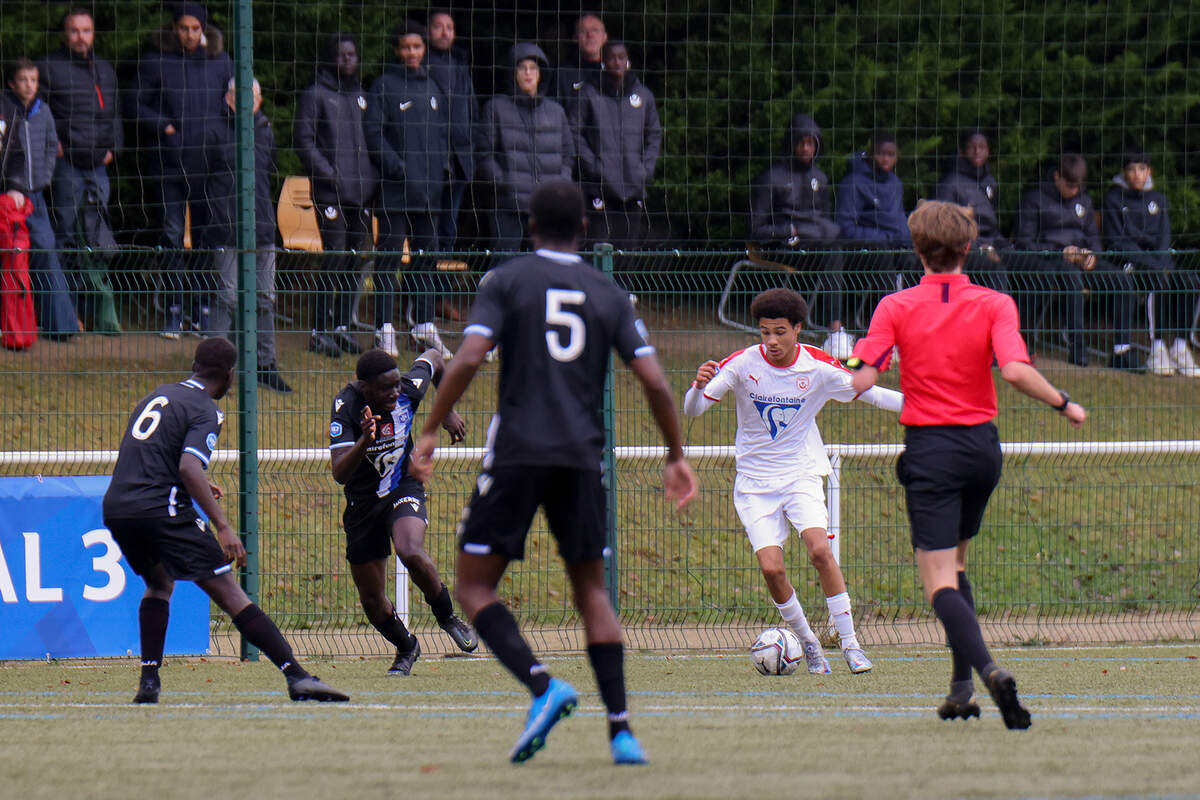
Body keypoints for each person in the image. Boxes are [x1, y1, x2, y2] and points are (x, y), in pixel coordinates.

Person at [409, 180, 698, 765]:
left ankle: (544, 686)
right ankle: (621, 732)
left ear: (530, 223)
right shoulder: (608, 293)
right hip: (580, 457)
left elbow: (466, 357)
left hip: (517, 451)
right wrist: (675, 454)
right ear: (584, 229)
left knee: (471, 585)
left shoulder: (506, 280)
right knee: (591, 590)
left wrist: (433, 427)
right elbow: (656, 381)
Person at [848, 200, 1087, 729]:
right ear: (968, 247)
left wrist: (847, 359)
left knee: (937, 582)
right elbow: (1018, 371)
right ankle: (960, 690)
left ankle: (990, 672)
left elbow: (860, 379)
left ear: (917, 249)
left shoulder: (895, 305)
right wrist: (1065, 403)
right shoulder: (995, 303)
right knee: (956, 566)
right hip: (983, 450)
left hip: (932, 451)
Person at [102, 338, 348, 704]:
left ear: (195, 364)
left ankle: (149, 682)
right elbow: (188, 466)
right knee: (231, 593)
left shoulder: (160, 394)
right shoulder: (206, 409)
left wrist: (195, 480)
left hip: (118, 508)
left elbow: (153, 454)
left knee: (159, 583)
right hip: (161, 510)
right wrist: (222, 525)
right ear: (230, 374)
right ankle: (297, 676)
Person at [683, 287, 901, 675]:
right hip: (754, 482)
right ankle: (811, 645)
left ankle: (851, 644)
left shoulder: (817, 366)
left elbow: (870, 393)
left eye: (780, 332)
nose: (771, 342)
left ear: (798, 329)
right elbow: (694, 410)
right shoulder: (741, 364)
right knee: (772, 569)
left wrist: (929, 406)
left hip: (800, 473)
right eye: (764, 332)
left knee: (819, 549)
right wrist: (697, 386)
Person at [328, 347, 478, 674]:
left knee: (410, 550)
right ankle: (407, 646)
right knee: (372, 599)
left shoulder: (407, 389)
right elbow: (340, 473)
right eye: (386, 387)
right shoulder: (346, 408)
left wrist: (447, 408)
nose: (395, 391)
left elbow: (435, 356)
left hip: (402, 487)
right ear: (365, 387)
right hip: (363, 504)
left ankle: (447, 616)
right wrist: (364, 441)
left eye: (397, 384)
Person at [131, 2, 234, 338]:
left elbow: (232, 104)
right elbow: (135, 103)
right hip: (169, 165)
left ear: (203, 29)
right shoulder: (155, 61)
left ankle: (203, 309)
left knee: (207, 238)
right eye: (183, 28)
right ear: (173, 28)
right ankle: (173, 310)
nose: (189, 34)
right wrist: (165, 126)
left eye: (195, 28)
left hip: (209, 166)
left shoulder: (221, 61)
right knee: (172, 236)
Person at [364, 21, 451, 358]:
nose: (412, 53)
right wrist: (397, 167)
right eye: (406, 47)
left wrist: (440, 171)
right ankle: (384, 328)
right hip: (394, 191)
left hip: (429, 193)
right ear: (397, 50)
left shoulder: (432, 87)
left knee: (426, 260)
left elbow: (442, 136)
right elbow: (373, 135)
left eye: (417, 47)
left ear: (424, 48)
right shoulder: (383, 87)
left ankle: (424, 326)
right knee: (388, 259)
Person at [36, 8, 122, 329]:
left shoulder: (105, 70)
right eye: (74, 31)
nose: (80, 37)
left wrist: (115, 146)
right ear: (65, 34)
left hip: (99, 165)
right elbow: (41, 113)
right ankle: (65, 312)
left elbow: (114, 113)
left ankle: (97, 313)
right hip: (67, 166)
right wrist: (54, 145)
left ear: (94, 33)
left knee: (97, 239)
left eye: (86, 30)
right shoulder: (48, 68)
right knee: (65, 235)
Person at [294, 33, 378, 359]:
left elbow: (371, 141)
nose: (347, 60)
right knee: (335, 255)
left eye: (352, 54)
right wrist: (330, 174)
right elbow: (304, 141)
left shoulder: (362, 96)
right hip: (330, 191)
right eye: (341, 54)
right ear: (331, 57)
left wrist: (370, 180)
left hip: (361, 193)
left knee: (356, 257)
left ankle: (342, 326)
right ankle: (319, 330)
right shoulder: (315, 95)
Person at [1014, 153, 1137, 369]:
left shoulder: (1084, 199)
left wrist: (1092, 255)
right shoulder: (1035, 198)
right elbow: (1024, 242)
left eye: (1078, 185)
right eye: (1070, 185)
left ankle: (1121, 351)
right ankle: (1078, 350)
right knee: (1072, 280)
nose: (1074, 190)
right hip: (1051, 259)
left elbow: (1093, 238)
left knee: (1121, 280)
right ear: (1057, 176)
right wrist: (1060, 251)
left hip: (1082, 259)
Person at [207, 77, 291, 393]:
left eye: (252, 98)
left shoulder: (265, 131)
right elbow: (202, 178)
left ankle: (265, 366)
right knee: (228, 297)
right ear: (228, 99)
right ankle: (213, 371)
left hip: (262, 228)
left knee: (265, 299)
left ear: (259, 101)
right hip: (225, 229)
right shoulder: (213, 131)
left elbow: (268, 175)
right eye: (239, 97)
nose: (246, 104)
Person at [748, 113, 853, 358]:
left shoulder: (821, 178)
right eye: (802, 142)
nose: (807, 148)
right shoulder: (770, 177)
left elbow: (825, 219)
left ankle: (843, 333)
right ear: (791, 142)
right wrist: (790, 231)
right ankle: (835, 331)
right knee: (832, 254)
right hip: (780, 246)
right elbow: (755, 229)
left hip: (815, 246)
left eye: (812, 143)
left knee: (844, 250)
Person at [1, 58, 79, 340]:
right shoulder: (5, 109)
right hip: (7, 195)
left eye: (33, 80)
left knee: (46, 249)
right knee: (9, 256)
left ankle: (61, 325)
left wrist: (42, 179)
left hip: (34, 195)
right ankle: (11, 323)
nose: (28, 86)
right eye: (22, 80)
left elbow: (50, 147)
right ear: (11, 83)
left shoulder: (43, 111)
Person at [1102, 151, 1200, 378]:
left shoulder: (1158, 199)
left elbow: (1164, 238)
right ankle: (1156, 348)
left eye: (1142, 169)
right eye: (1132, 169)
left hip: (1157, 262)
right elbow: (1117, 242)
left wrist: (1162, 261)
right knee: (1157, 277)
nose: (1138, 175)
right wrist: (1153, 263)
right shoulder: (1114, 199)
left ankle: (1179, 346)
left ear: (1149, 172)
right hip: (1129, 262)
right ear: (1125, 173)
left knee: (1189, 281)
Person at [475, 43, 574, 252]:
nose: (528, 73)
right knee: (506, 266)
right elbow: (484, 154)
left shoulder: (556, 111)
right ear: (513, 73)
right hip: (508, 204)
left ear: (541, 73)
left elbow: (568, 155)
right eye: (522, 68)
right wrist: (504, 183)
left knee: (545, 266)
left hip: (546, 206)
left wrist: (559, 184)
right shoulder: (495, 107)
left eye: (533, 68)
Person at [572, 40, 661, 254]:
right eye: (612, 57)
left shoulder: (643, 95)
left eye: (621, 57)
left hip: (632, 185)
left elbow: (654, 134)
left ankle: (624, 289)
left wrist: (644, 169)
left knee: (627, 251)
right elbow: (574, 133)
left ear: (628, 61)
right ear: (603, 61)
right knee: (599, 248)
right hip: (599, 186)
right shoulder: (589, 93)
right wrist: (593, 166)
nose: (617, 62)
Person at [836, 132, 916, 303]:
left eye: (891, 155)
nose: (885, 159)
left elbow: (900, 221)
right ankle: (889, 318)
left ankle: (918, 313)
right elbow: (845, 228)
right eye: (881, 153)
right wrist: (884, 239)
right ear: (871, 154)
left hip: (894, 246)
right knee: (883, 254)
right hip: (860, 252)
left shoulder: (895, 183)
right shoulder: (853, 182)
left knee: (916, 257)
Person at [424, 9, 476, 261]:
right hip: (429, 160)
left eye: (450, 27)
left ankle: (440, 296)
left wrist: (470, 145)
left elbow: (472, 111)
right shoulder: (419, 66)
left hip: (459, 160)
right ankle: (419, 294)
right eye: (438, 26)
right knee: (427, 230)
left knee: (449, 229)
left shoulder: (461, 67)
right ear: (427, 31)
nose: (445, 32)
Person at [932, 131, 1010, 293]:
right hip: (964, 248)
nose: (977, 152)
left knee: (1024, 263)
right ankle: (998, 318)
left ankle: (1021, 317)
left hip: (992, 244)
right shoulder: (950, 183)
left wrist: (1001, 245)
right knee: (996, 270)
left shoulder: (990, 183)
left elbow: (993, 225)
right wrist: (980, 248)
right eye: (971, 147)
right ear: (961, 151)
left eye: (982, 147)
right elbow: (945, 229)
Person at [552, 13, 607, 112]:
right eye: (583, 31)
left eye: (595, 30)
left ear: (605, 37)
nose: (590, 35)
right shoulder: (563, 74)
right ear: (575, 38)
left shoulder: (615, 71)